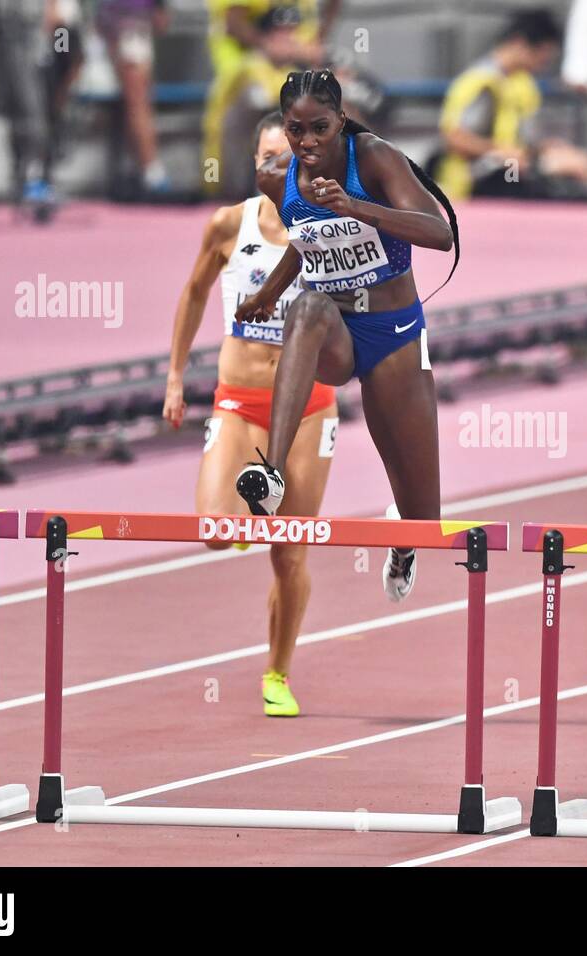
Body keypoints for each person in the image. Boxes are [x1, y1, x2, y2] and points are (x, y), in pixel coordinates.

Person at [232, 69, 458, 605]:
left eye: (319, 128)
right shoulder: (276, 178)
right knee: (306, 307)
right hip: (334, 328)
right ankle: (274, 472)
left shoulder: (373, 158)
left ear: (340, 120)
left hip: (393, 330)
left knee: (425, 519)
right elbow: (305, 241)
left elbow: (439, 233)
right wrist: (270, 293)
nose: (307, 142)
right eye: (295, 129)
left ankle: (402, 537)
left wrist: (356, 206)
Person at [163, 112, 339, 717]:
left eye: (286, 160)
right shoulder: (228, 224)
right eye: (266, 159)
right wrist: (175, 376)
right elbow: (192, 293)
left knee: (289, 553)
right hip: (239, 400)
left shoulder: (329, 227)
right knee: (216, 531)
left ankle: (278, 673)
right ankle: (247, 506)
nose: (275, 168)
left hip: (309, 408)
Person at [435, 9, 587, 201]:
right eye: (542, 58)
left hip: (508, 170)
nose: (543, 66)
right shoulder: (482, 82)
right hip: (474, 183)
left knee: (566, 167)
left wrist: (542, 149)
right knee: (550, 171)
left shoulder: (519, 83)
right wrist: (506, 152)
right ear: (520, 44)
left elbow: (517, 141)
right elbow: (455, 137)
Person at [202, 1, 342, 196]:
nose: (287, 35)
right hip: (248, 76)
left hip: (295, 68)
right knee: (266, 107)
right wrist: (281, 49)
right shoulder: (250, 68)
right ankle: (258, 188)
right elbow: (234, 24)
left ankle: (350, 182)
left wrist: (313, 51)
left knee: (341, 100)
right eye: (281, 32)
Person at [96, 0, 172, 195]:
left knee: (139, 100)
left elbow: (161, 21)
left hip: (136, 25)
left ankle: (144, 170)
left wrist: (160, 8)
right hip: (119, 24)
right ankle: (151, 171)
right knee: (137, 100)